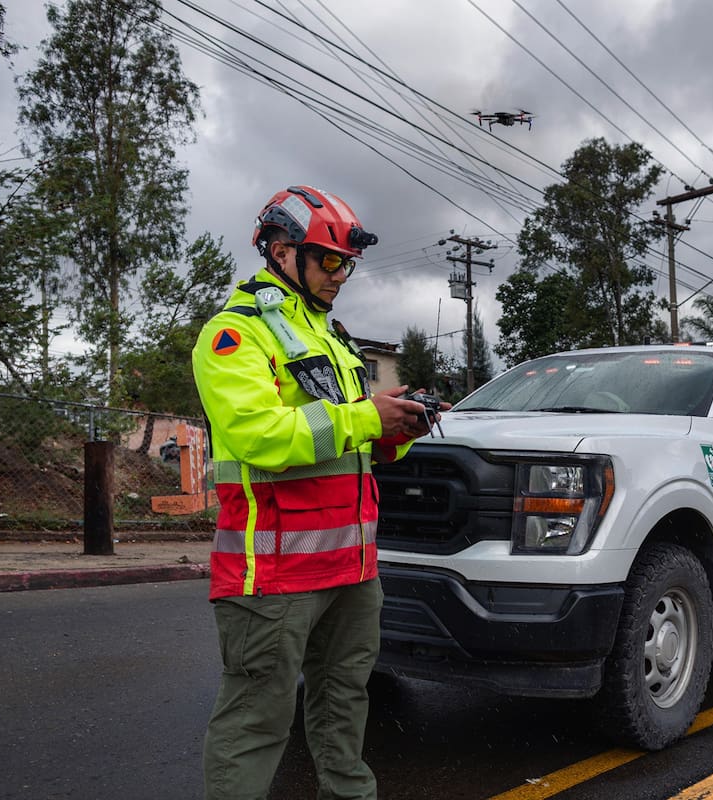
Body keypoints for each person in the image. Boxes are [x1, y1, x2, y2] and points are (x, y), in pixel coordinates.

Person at [191, 184, 446, 800]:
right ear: (281, 252)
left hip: (351, 571)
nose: (341, 275)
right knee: (255, 722)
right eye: (329, 260)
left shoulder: (334, 339)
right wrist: (366, 419)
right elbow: (261, 437)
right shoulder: (235, 336)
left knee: (344, 707)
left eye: (346, 264)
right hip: (274, 576)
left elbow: (353, 441)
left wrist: (399, 429)